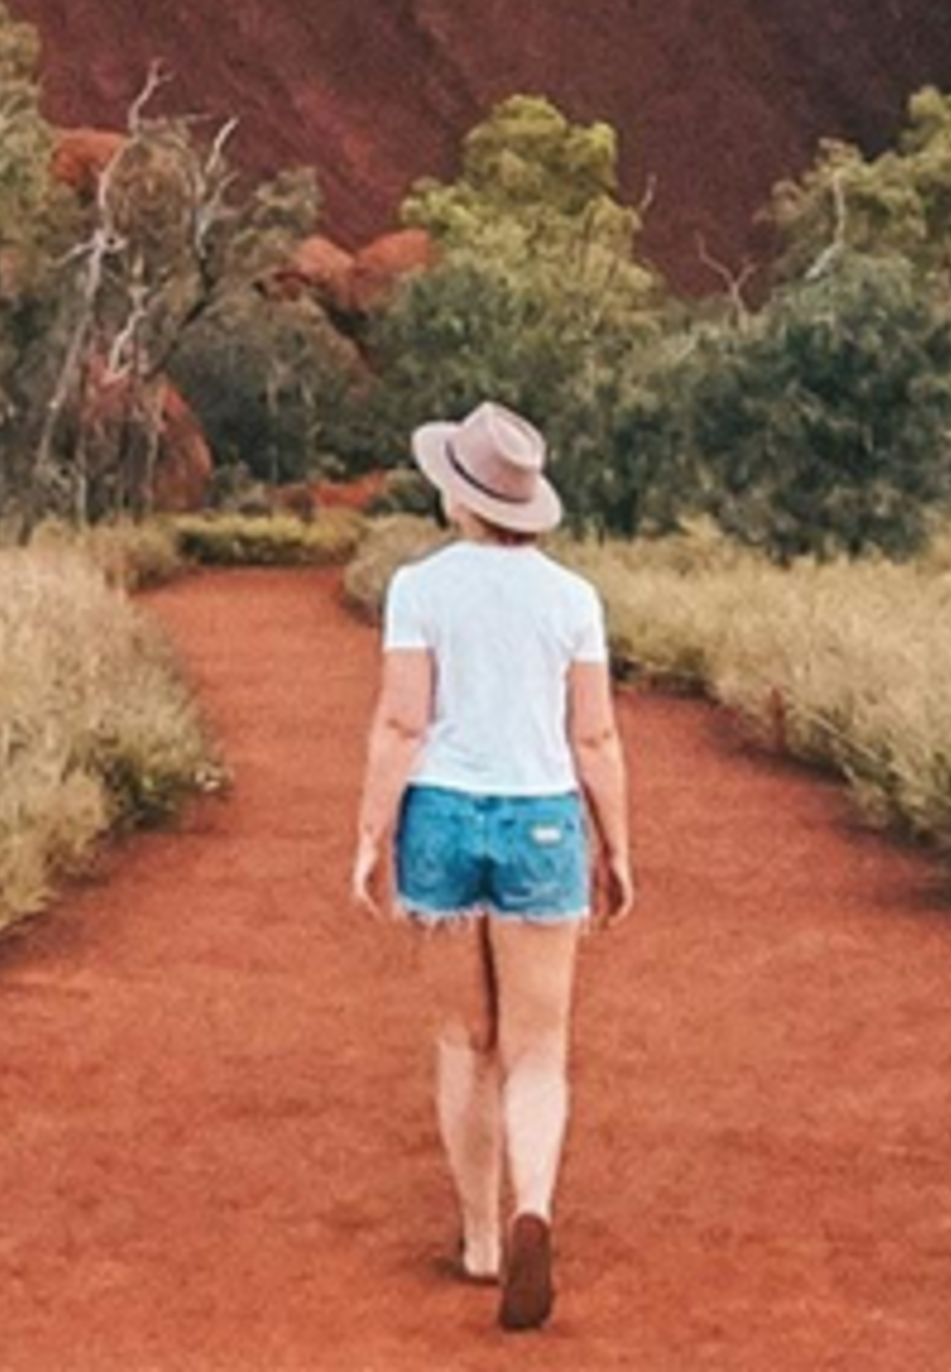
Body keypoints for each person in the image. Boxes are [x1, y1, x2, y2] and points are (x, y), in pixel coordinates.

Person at [349, 399, 635, 1335]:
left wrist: (369, 835)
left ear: (457, 496)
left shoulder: (419, 587)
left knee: (462, 1040)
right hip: (544, 823)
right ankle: (534, 1209)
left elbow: (401, 722)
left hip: (439, 816)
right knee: (539, 1049)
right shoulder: (572, 599)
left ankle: (478, 1238)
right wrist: (617, 848)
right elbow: (593, 735)